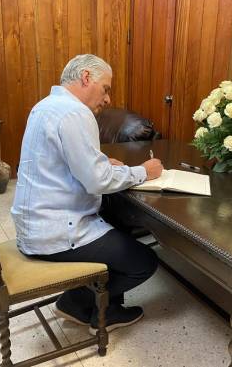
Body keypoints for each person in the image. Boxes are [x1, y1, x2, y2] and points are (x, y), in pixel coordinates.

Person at [11, 54, 163, 334]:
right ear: (85, 78)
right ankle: (80, 303)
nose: (107, 99)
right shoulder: (75, 113)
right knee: (145, 262)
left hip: (33, 225)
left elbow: (65, 161)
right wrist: (144, 171)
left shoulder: (46, 106)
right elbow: (97, 182)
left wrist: (102, 161)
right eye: (106, 88)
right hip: (55, 234)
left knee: (117, 228)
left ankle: (92, 305)